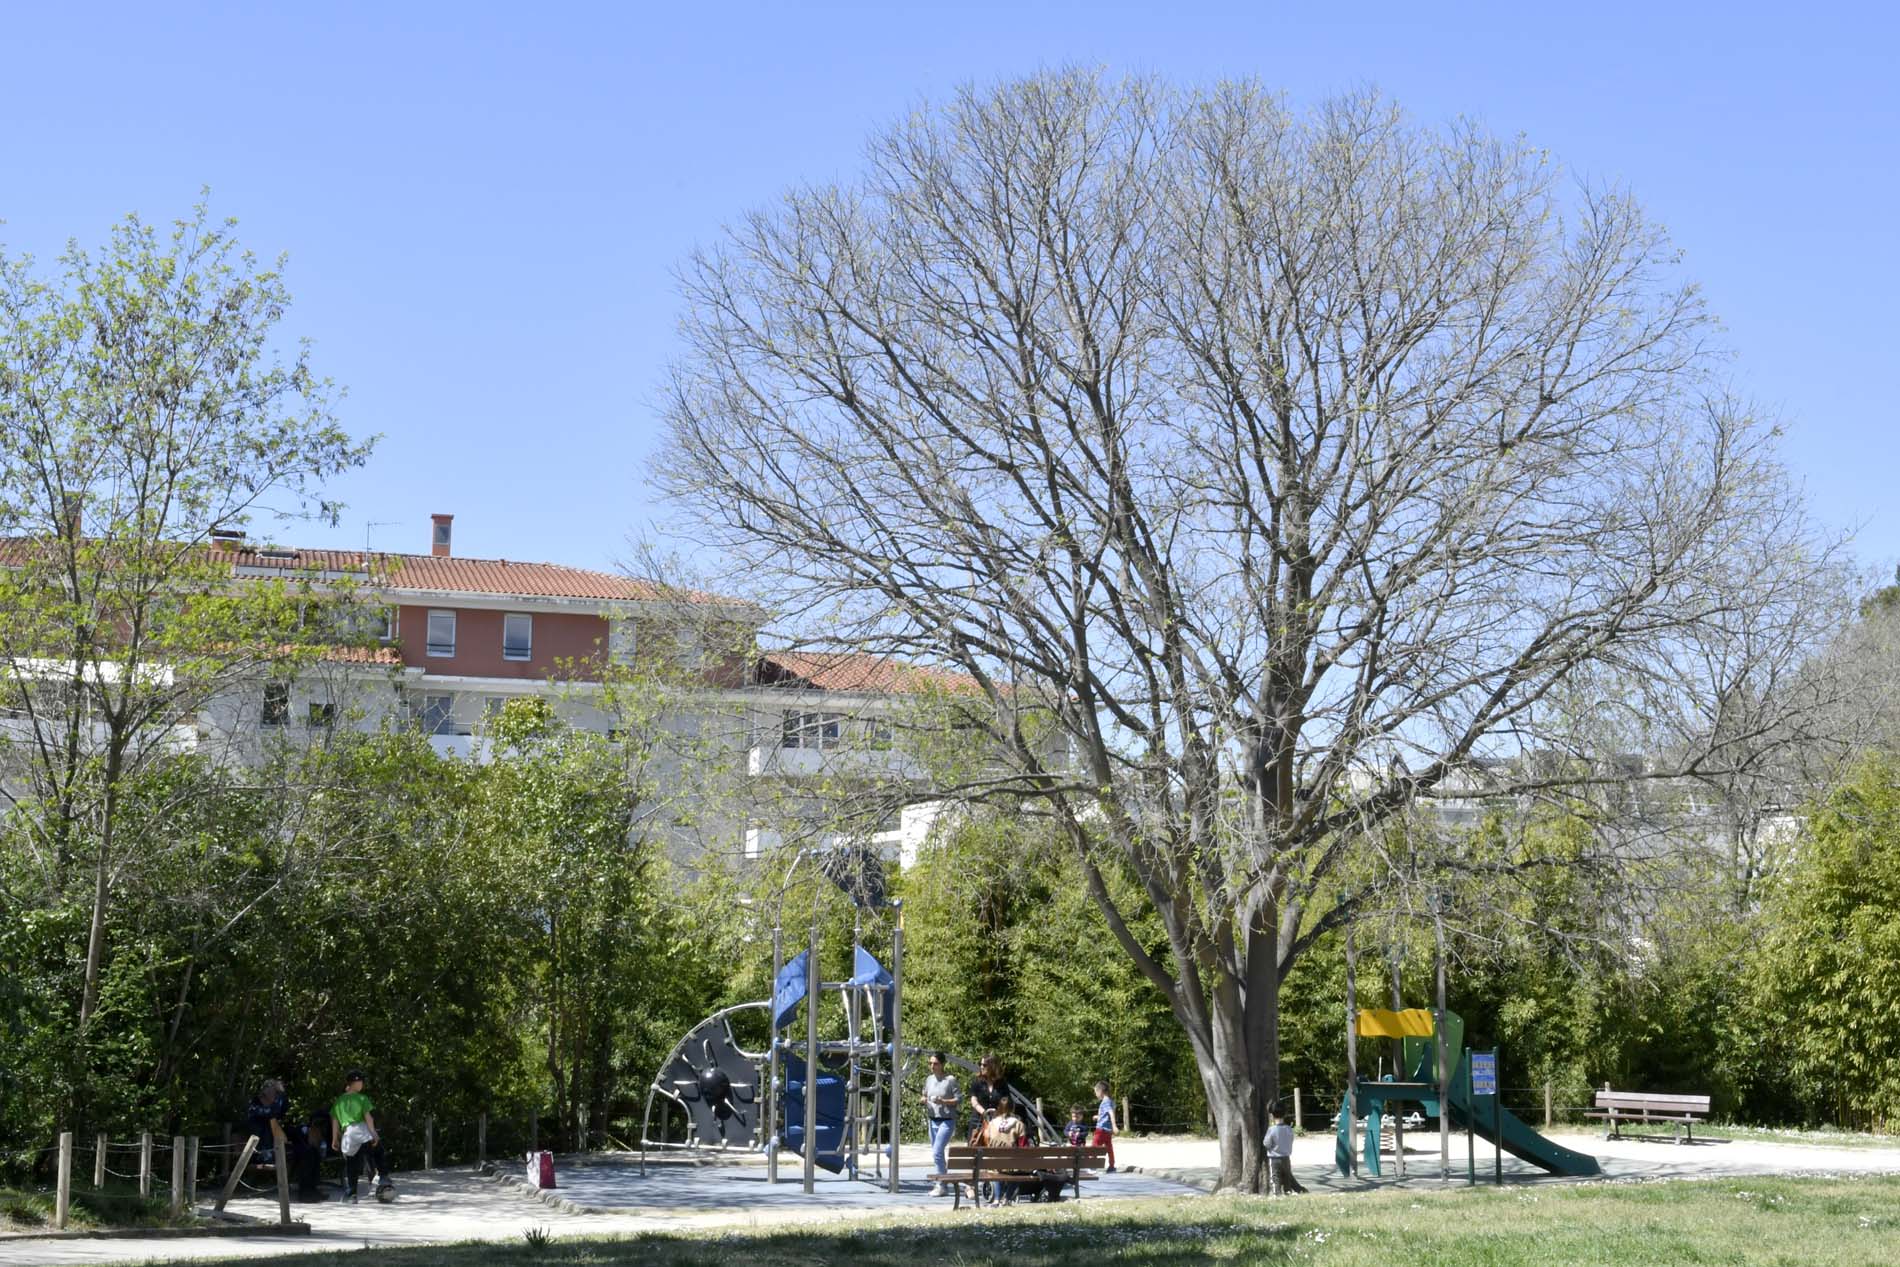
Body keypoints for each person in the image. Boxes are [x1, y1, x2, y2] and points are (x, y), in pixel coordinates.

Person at [330, 1069, 394, 1203]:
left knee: (352, 1165)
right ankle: (383, 1176)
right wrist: (374, 1134)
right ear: (354, 1083)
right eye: (360, 1081)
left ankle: (351, 1195)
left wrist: (334, 1139)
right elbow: (368, 1118)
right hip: (361, 1131)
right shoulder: (362, 1098)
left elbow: (335, 1122)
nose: (362, 1084)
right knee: (378, 1151)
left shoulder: (338, 1101)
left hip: (348, 1135)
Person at [920, 1052, 961, 1197]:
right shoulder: (929, 1079)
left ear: (942, 1064)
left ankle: (941, 1185)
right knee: (938, 1154)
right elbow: (924, 1095)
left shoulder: (950, 1080)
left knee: (937, 1152)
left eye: (935, 1063)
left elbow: (958, 1100)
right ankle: (943, 1182)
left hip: (947, 1121)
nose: (932, 1066)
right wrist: (924, 1100)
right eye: (930, 1063)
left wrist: (943, 1101)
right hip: (932, 1119)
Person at [980, 1100, 1027, 1205]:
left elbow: (986, 1140)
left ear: (999, 1108)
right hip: (1012, 1164)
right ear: (1012, 1109)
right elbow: (1023, 1145)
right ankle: (1007, 1198)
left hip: (994, 1163)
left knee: (996, 1171)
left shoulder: (992, 1124)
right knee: (1019, 1173)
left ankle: (997, 1199)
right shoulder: (1018, 1124)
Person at [1264, 1106, 1306, 1195]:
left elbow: (1267, 1143)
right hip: (1286, 1157)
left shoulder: (1271, 1129)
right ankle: (1288, 1192)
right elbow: (1291, 1140)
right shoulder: (1289, 1129)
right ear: (1285, 1115)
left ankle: (1277, 1194)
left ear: (1272, 1115)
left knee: (1275, 1177)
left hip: (1274, 1158)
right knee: (1287, 1176)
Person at [245, 1079, 289, 1164]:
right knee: (263, 1127)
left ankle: (268, 1155)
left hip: (271, 1131)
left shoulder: (277, 1102)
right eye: (271, 1090)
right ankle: (261, 1156)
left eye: (275, 1092)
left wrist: (280, 1094)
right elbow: (257, 1112)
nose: (273, 1094)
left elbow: (276, 1112)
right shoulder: (256, 1101)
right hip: (255, 1131)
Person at [291, 1112, 330, 1202]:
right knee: (308, 1159)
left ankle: (313, 1190)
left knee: (314, 1156)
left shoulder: (317, 1134)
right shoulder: (300, 1130)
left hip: (309, 1151)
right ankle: (305, 1194)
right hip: (300, 1153)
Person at [967, 1054, 1005, 1142]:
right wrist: (984, 1112)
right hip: (978, 1121)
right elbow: (973, 1101)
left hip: (997, 1122)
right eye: (980, 1064)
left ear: (992, 1066)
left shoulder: (1001, 1083)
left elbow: (1006, 1101)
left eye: (984, 1065)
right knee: (975, 1148)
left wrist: (998, 1111)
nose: (981, 1067)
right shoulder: (977, 1082)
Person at [1091, 1081, 1117, 1173]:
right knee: (1109, 1148)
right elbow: (1106, 1115)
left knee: (1094, 1147)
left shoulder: (1105, 1102)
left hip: (1101, 1129)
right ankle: (1112, 1166)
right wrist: (1097, 1117)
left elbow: (1110, 1113)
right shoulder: (1111, 1101)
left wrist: (1114, 1126)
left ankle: (1093, 1166)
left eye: (1096, 1092)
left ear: (1100, 1091)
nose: (1096, 1095)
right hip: (1107, 1131)